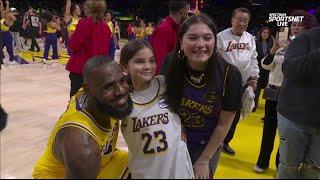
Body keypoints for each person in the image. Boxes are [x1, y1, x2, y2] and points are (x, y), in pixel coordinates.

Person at [164, 14, 243, 179]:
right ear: (181, 41)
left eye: (207, 38)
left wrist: (204, 160)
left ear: (215, 41)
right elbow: (164, 102)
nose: (200, 44)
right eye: (192, 38)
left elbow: (224, 124)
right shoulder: (171, 63)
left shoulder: (230, 75)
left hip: (207, 145)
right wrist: (178, 127)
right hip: (174, 140)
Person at [33, 55, 132, 178]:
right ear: (88, 90)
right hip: (60, 175)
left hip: (103, 160)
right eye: (109, 86)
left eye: (122, 80)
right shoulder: (82, 148)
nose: (120, 91)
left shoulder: (96, 92)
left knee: (150, 163)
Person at [119, 39, 194, 178]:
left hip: (178, 169)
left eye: (152, 60)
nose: (148, 66)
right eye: (140, 61)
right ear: (124, 67)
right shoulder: (121, 99)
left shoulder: (165, 83)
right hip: (146, 171)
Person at [276, 10, 319, 179]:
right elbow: (290, 69)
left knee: (314, 169)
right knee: (289, 166)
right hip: (294, 116)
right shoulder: (305, 38)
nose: (296, 28)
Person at [217, 7, 259, 156]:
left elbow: (254, 59)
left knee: (235, 115)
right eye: (239, 19)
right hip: (223, 82)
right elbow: (214, 60)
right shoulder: (221, 37)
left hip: (242, 83)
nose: (242, 23)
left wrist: (254, 78)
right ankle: (215, 141)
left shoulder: (250, 38)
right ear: (232, 20)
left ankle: (226, 141)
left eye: (245, 20)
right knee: (219, 113)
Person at [66, 0, 111, 98]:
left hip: (81, 69)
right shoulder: (106, 27)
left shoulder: (84, 23)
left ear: (90, 8)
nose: (84, 8)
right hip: (98, 70)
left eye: (86, 6)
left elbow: (73, 45)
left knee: (77, 100)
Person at [151, 0, 188, 74]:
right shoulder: (164, 29)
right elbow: (160, 61)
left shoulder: (176, 29)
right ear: (181, 12)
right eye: (186, 12)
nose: (187, 15)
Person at [253, 26, 273, 112]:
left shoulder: (271, 44)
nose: (265, 34)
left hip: (268, 70)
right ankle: (254, 106)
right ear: (261, 33)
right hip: (257, 69)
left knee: (267, 90)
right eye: (264, 32)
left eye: (267, 33)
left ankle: (267, 109)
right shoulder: (255, 42)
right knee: (256, 89)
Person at [0, 0, 16, 64]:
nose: (3, 12)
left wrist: (7, 4)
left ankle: (11, 59)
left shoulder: (7, 19)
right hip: (1, 34)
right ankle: (2, 58)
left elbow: (6, 11)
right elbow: (1, 10)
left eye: (5, 12)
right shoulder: (2, 18)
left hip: (7, 34)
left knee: (9, 48)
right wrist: (1, 3)